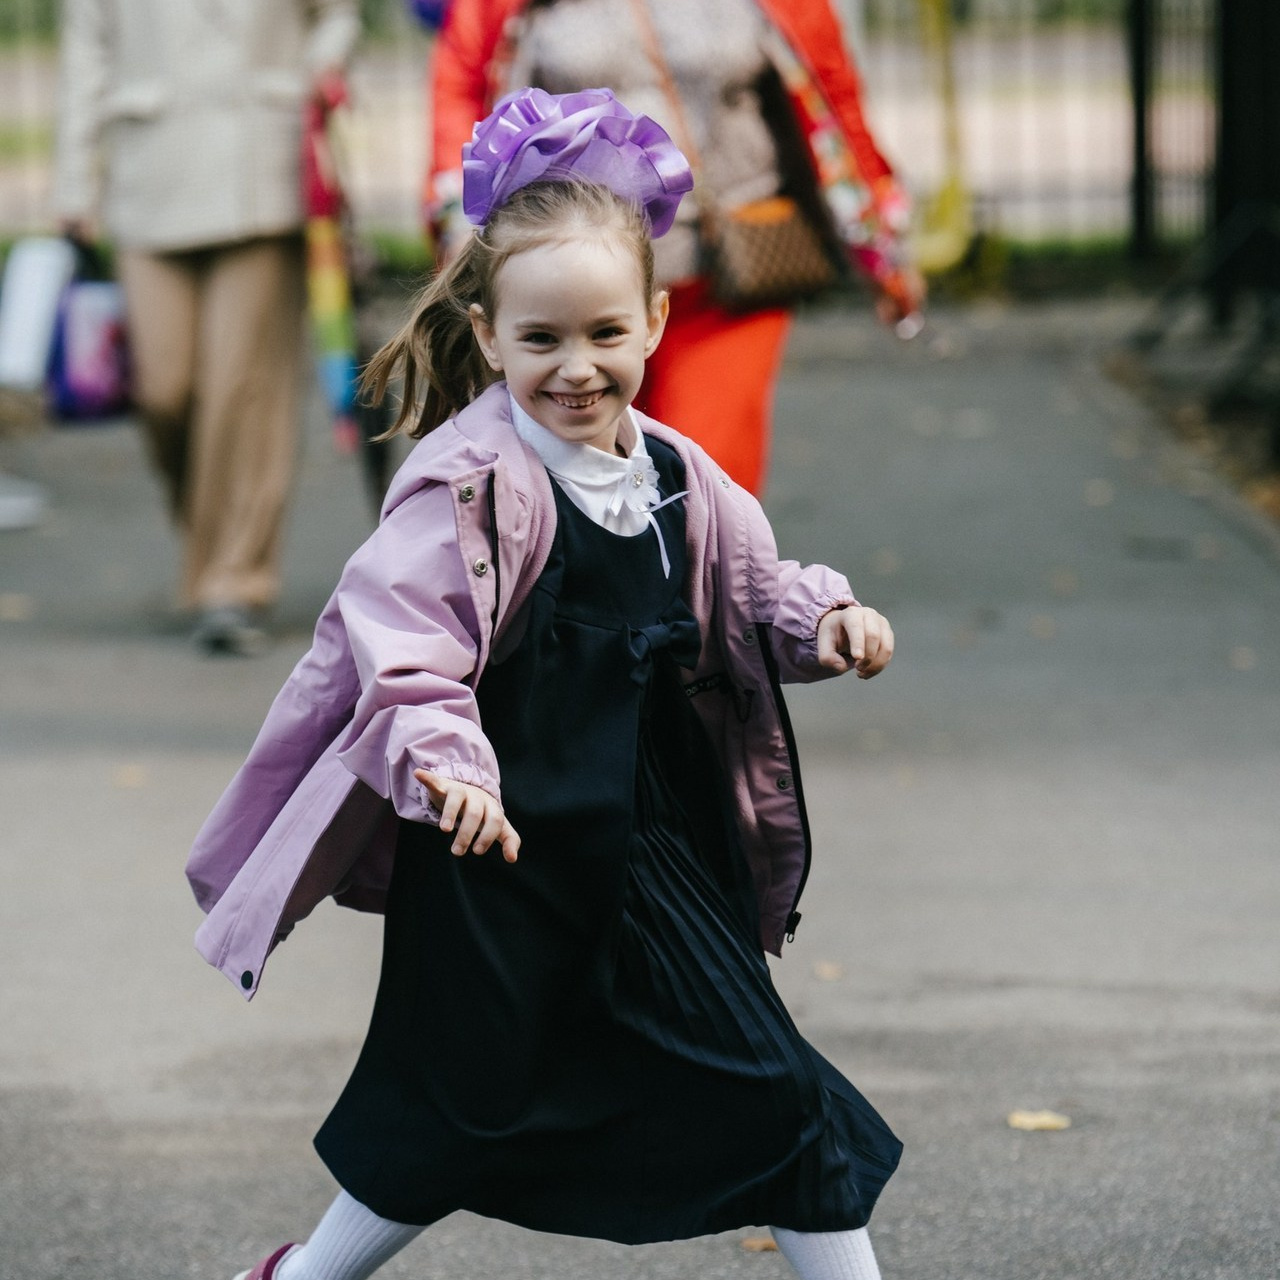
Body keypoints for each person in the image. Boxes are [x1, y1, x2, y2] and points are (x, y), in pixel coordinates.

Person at [188, 89, 901, 1280]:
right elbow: (401, 648)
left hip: (651, 847)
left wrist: (821, 620)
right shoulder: (465, 483)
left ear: (657, 320)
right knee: (457, 1103)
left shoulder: (679, 474)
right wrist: (450, 767)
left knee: (771, 1084)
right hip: (502, 852)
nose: (577, 368)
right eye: (541, 340)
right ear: (486, 331)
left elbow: (744, 590)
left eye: (605, 335)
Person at [426, 0, 925, 496]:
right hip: (570, 290)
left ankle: (700, 575)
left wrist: (883, 246)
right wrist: (458, 236)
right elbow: (461, 93)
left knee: (704, 482)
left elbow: (831, 87)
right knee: (583, 489)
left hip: (729, 271)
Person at [52, 0, 361, 655]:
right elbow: (85, 53)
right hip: (148, 171)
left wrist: (319, 64)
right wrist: (73, 185)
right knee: (164, 388)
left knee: (242, 392)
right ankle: (211, 550)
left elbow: (338, 14)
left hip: (261, 161)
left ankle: (234, 583)